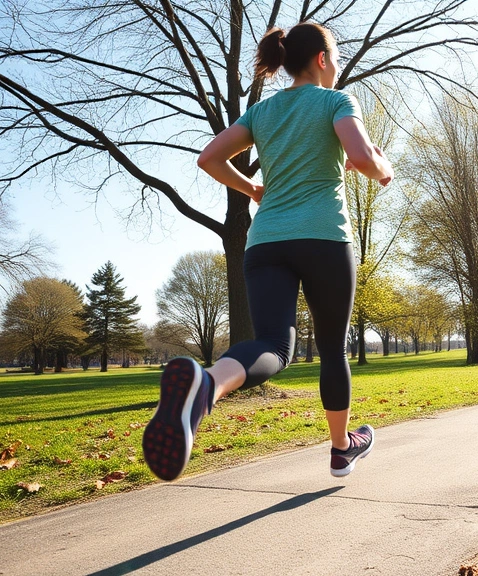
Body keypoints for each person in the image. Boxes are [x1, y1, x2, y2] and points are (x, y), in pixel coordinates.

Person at [143, 21, 394, 482]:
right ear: (321, 59)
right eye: (335, 57)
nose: (336, 65)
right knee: (334, 348)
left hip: (267, 241)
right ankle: (341, 450)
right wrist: (382, 167)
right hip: (323, 237)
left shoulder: (262, 112)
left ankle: (207, 385)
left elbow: (209, 158)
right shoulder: (336, 101)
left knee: (274, 346)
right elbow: (359, 157)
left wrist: (252, 190)